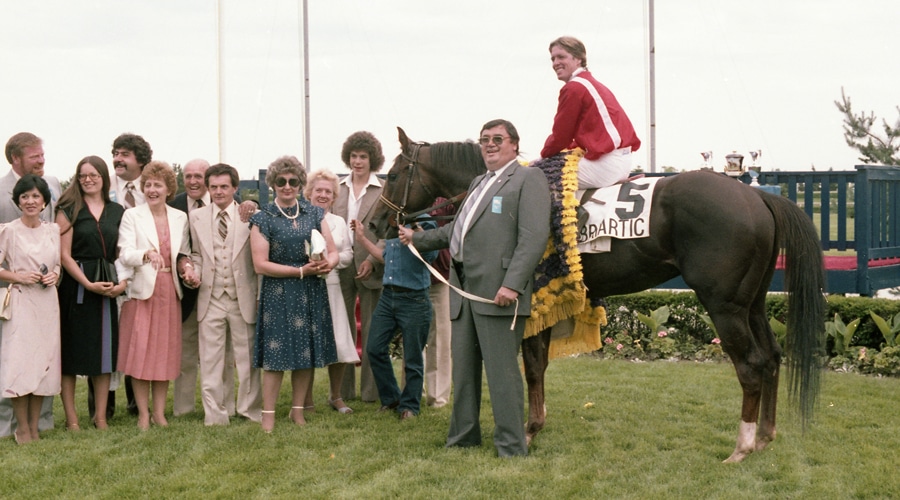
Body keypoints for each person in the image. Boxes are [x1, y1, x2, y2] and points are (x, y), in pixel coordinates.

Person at [401, 119, 551, 457]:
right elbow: (457, 229)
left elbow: (533, 238)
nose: (490, 144)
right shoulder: (479, 181)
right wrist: (417, 238)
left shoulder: (528, 179)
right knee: (464, 373)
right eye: (485, 139)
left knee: (502, 373)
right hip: (463, 292)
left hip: (497, 294)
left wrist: (512, 284)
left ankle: (511, 444)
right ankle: (463, 437)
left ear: (514, 144)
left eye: (498, 139)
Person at [249, 156, 339, 432]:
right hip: (279, 292)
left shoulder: (314, 213)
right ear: (273, 184)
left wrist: (327, 264)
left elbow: (333, 252)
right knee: (275, 358)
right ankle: (268, 415)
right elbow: (260, 264)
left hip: (311, 290)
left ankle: (297, 411)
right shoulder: (262, 218)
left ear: (300, 184)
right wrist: (300, 272)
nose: (287, 186)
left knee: (305, 352)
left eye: (293, 181)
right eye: (281, 181)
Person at [115, 161, 193, 430]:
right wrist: (145, 254)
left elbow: (182, 254)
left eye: (157, 184)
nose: (151, 189)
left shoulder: (179, 217)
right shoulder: (132, 216)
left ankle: (159, 413)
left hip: (169, 292)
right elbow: (124, 252)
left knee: (164, 354)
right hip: (141, 293)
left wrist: (186, 268)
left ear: (168, 189)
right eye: (147, 184)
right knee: (140, 354)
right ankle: (143, 414)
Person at [187, 163, 262, 425]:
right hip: (211, 295)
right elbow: (196, 254)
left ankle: (249, 410)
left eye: (224, 187)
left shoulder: (251, 215)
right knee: (210, 361)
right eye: (214, 187)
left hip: (243, 295)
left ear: (235, 188)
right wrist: (192, 272)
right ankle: (216, 414)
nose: (219, 192)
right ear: (208, 188)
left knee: (247, 360)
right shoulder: (196, 218)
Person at [56, 156, 127, 431]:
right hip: (75, 287)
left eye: (93, 175)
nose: (88, 179)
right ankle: (72, 419)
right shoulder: (68, 209)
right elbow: (63, 255)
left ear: (103, 177)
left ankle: (100, 417)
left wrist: (122, 284)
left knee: (104, 355)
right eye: (83, 175)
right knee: (70, 353)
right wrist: (86, 283)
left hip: (106, 285)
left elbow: (122, 252)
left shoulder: (117, 211)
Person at [0, 132, 62, 438]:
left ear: (45, 201)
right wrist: (18, 276)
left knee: (44, 365)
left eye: (36, 197)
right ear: (18, 201)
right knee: (20, 364)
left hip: (47, 304)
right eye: (25, 197)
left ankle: (36, 426)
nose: (30, 201)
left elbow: (57, 264)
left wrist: (55, 275)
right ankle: (20, 428)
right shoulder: (8, 231)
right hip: (21, 304)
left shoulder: (53, 231)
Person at [357, 215, 437, 420]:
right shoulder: (392, 222)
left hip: (415, 298)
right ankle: (392, 398)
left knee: (412, 357)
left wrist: (415, 232)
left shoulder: (425, 222)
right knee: (374, 348)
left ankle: (410, 406)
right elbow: (386, 257)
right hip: (388, 296)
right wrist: (361, 238)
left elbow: (431, 255)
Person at [540, 36, 641, 190]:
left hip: (606, 164)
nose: (555, 63)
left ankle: (564, 214)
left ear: (578, 59)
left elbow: (561, 137)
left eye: (561, 57)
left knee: (537, 176)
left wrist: (542, 156)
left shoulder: (574, 88)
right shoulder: (590, 83)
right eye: (553, 59)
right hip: (621, 161)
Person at [100, 132, 154, 419]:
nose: (118, 159)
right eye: (116, 153)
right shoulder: (102, 187)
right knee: (109, 339)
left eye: (124, 154)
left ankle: (137, 405)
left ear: (141, 160)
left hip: (145, 275)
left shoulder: (152, 189)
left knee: (138, 340)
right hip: (110, 274)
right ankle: (104, 408)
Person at [334, 131, 385, 404]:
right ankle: (342, 392)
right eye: (353, 156)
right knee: (342, 330)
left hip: (371, 266)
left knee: (372, 330)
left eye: (363, 156)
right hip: (340, 267)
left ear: (372, 159)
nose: (357, 161)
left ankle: (371, 392)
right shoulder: (337, 188)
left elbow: (387, 231)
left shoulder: (383, 190)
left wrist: (372, 260)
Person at [302, 170, 358, 414]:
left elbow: (348, 254)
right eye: (318, 190)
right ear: (309, 193)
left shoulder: (339, 222)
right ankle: (306, 400)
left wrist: (333, 262)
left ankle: (336, 397)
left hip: (331, 285)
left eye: (328, 192)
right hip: (305, 285)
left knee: (338, 341)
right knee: (307, 343)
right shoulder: (299, 218)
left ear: (334, 196)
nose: (323, 195)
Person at [424, 201, 454, 409]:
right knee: (413, 338)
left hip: (440, 276)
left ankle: (438, 396)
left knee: (441, 338)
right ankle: (412, 392)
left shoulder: (447, 200)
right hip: (412, 276)